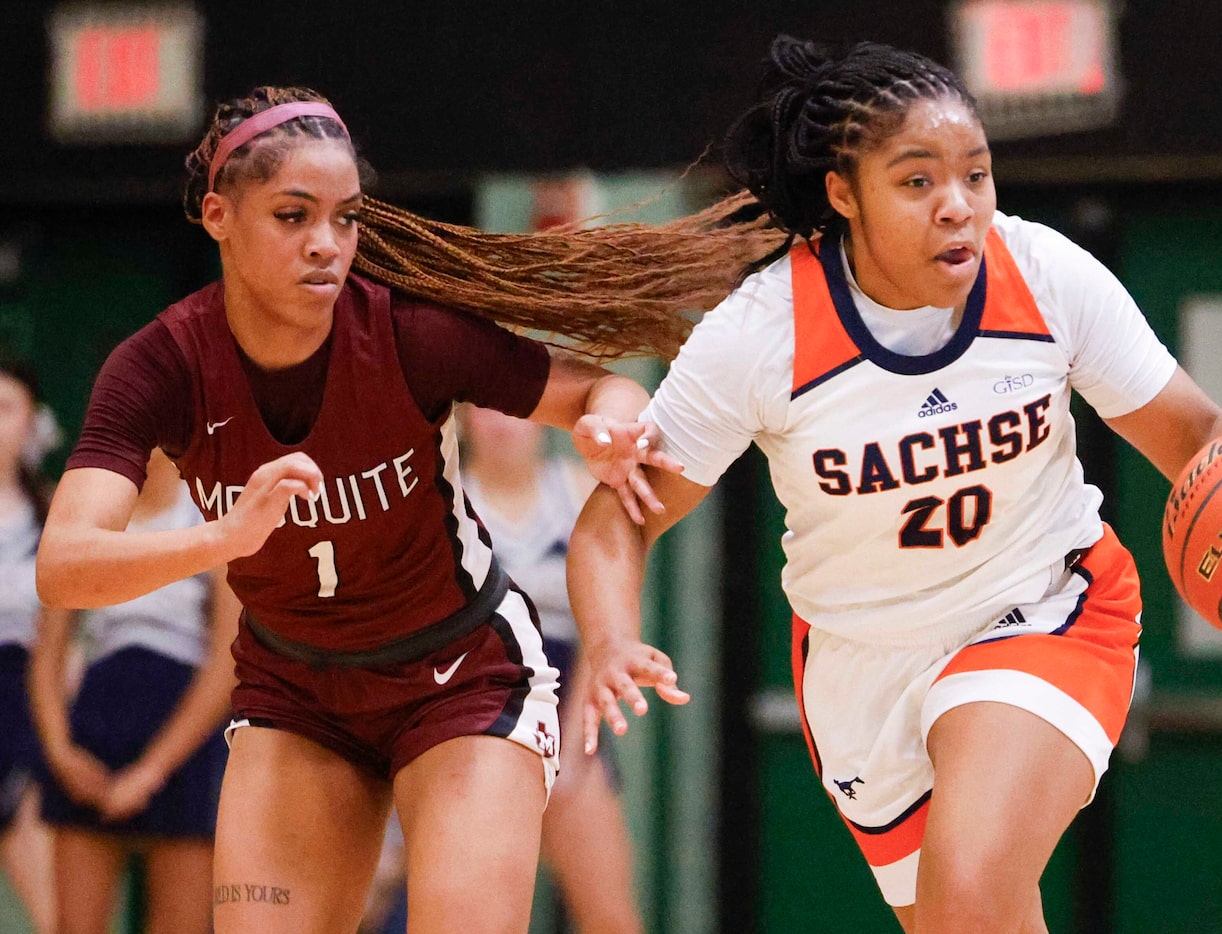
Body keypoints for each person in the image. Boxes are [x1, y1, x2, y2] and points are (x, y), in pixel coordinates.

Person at [566, 36, 1222, 934]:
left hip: (1043, 608)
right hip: (862, 665)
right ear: (843, 194)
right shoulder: (764, 333)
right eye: (918, 182)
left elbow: (1197, 437)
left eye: (977, 175)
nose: (958, 206)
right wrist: (609, 637)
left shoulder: (1044, 276)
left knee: (972, 877)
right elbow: (622, 517)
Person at [33, 86, 778, 933]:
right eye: (292, 216)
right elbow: (64, 568)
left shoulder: (408, 331)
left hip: (460, 677)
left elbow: (595, 388)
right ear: (218, 216)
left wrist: (606, 424)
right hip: (296, 690)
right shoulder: (158, 367)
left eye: (345, 218)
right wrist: (225, 536)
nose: (326, 244)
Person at [28, 448, 239, 934]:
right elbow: (48, 656)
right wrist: (61, 754)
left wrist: (151, 771)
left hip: (186, 739)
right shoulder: (88, 511)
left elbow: (226, 663)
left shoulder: (213, 509)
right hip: (95, 730)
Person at [459, 404, 642, 934]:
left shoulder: (579, 491)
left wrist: (571, 747)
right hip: (477, 721)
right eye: (484, 412)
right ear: (463, 421)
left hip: (569, 713)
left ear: (541, 417)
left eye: (511, 411)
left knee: (611, 917)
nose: (501, 424)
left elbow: (605, 628)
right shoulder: (448, 502)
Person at [0, 357, 59, 934]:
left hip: (21, 716)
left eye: (5, 408)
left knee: (53, 916)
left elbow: (61, 647)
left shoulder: (53, 516)